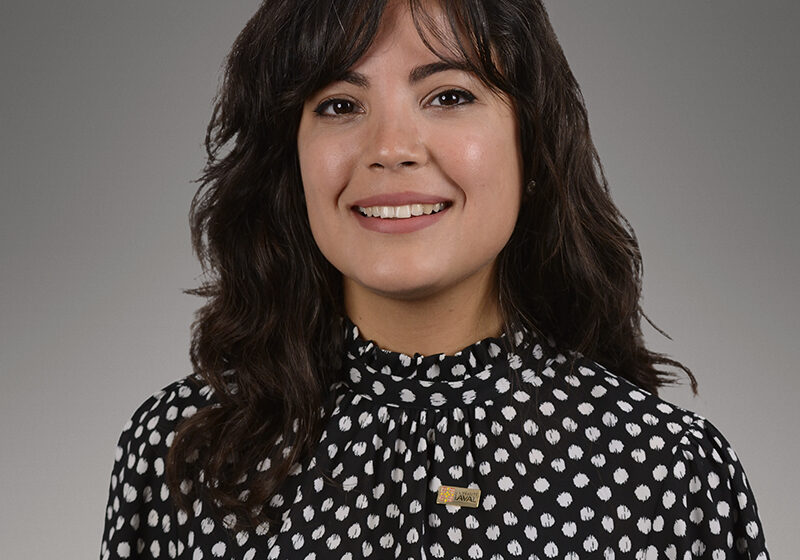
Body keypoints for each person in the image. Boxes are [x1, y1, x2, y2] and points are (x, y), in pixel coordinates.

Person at [100, 1, 770, 558]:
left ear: (531, 146)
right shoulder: (182, 454)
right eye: (338, 104)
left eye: (449, 95)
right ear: (288, 159)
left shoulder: (668, 473)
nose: (391, 147)